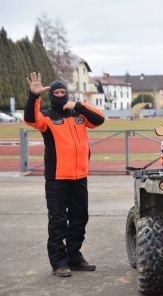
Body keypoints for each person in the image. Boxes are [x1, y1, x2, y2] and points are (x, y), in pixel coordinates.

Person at [24, 72, 105, 277]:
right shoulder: (47, 117)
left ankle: (74, 257)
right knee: (58, 222)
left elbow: (100, 119)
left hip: (80, 178)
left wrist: (77, 105)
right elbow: (30, 119)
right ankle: (59, 263)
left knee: (80, 219)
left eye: (63, 92)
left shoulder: (78, 115)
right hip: (57, 179)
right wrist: (34, 96)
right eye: (56, 92)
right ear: (51, 95)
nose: (60, 95)